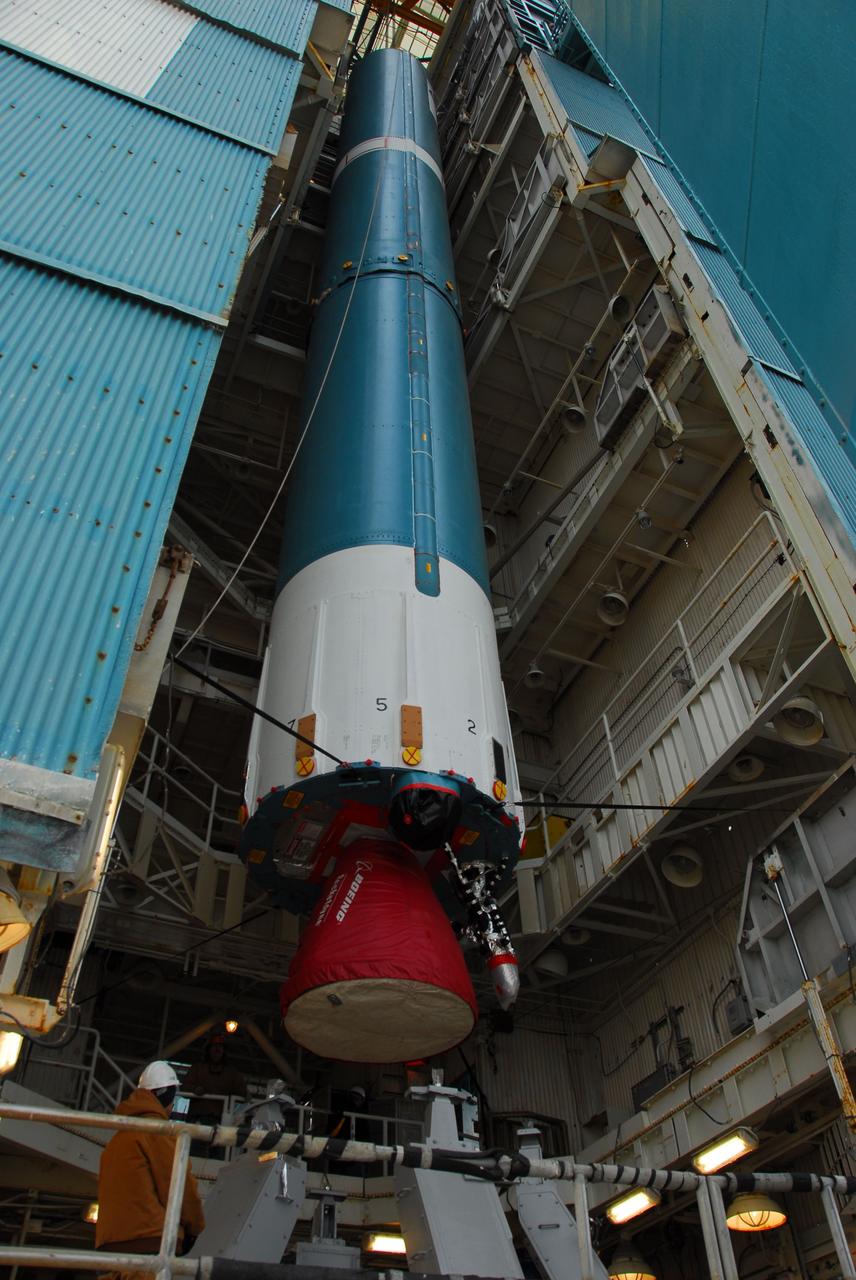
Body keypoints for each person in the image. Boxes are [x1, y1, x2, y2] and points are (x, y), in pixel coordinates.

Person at [95, 1061, 204, 1275]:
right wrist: (195, 1227)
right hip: (148, 1245)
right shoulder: (157, 1132)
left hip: (108, 1249)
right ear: (167, 1095)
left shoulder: (117, 1139)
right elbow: (178, 1185)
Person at [182, 1033, 246, 1101]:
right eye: (214, 1046)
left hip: (221, 1108)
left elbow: (242, 1092)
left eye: (220, 1046)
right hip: (198, 1107)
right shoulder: (197, 1068)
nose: (217, 1049)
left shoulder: (231, 1072)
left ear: (224, 1051)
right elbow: (184, 1088)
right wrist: (195, 1089)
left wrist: (245, 1094)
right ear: (208, 1050)